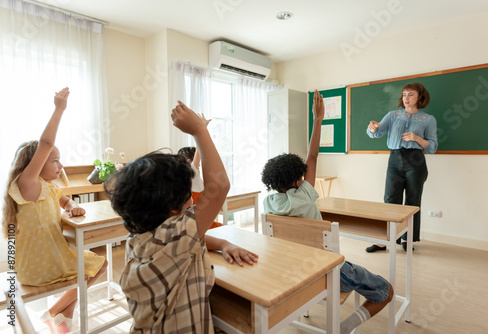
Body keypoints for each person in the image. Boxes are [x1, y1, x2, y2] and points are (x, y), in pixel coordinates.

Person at [104, 101, 258, 333]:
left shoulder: (143, 235)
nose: (193, 201)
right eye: (188, 195)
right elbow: (219, 185)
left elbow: (190, 240)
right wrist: (199, 130)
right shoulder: (178, 233)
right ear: (173, 209)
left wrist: (224, 243)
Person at [262, 90, 393, 334]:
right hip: (325, 269)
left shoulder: (268, 204)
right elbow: (313, 155)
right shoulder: (304, 195)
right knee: (386, 290)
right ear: (299, 180)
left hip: (293, 270)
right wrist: (318, 119)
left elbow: (310, 158)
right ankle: (345, 328)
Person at [1, 88, 107, 334]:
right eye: (54, 160)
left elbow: (64, 199)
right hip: (40, 267)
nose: (61, 165)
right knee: (100, 264)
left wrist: (72, 206)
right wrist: (59, 108)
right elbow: (46, 143)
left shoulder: (47, 187)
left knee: (98, 264)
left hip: (49, 258)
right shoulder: (27, 184)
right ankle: (56, 312)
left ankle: (62, 313)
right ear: (35, 164)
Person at [365, 82, 437, 253]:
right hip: (395, 159)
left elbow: (432, 147)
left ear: (420, 96)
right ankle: (384, 240)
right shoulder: (392, 115)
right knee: (390, 200)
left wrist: (417, 138)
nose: (406, 98)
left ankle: (407, 238)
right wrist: (372, 128)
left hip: (416, 160)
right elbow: (376, 133)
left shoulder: (428, 119)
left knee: (412, 202)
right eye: (404, 94)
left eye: (411, 94)